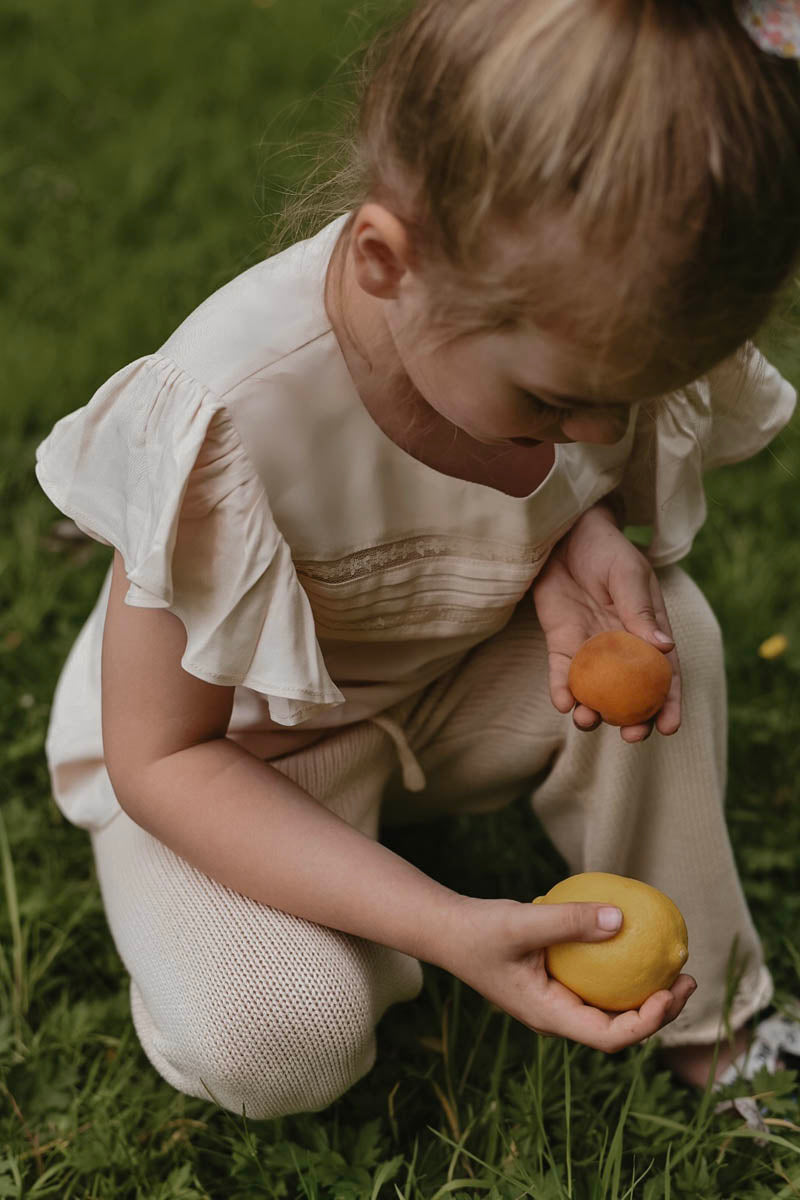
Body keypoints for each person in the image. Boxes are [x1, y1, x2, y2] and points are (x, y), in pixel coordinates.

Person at [35, 0, 800, 1120]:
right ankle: (331, 920)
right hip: (234, 762)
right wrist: (439, 924)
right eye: (552, 403)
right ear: (391, 262)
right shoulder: (237, 415)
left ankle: (710, 1015)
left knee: (664, 631)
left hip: (431, 689)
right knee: (278, 1039)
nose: (593, 438)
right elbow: (165, 757)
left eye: (622, 404)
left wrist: (564, 540)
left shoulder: (560, 337)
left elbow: (507, 472)